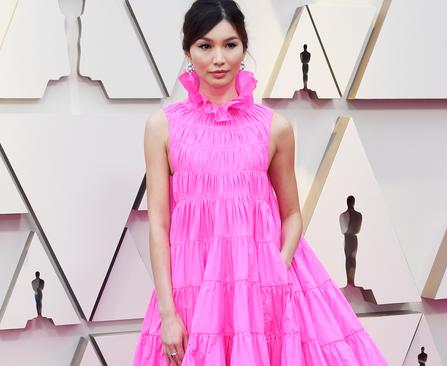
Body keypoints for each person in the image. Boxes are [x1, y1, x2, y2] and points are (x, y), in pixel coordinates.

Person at [132, 1, 387, 365]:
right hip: (193, 286)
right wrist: (168, 314)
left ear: (244, 47)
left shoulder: (274, 127)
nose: (218, 58)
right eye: (205, 46)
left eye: (230, 44)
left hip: (264, 288)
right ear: (187, 50)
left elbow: (292, 215)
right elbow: (158, 225)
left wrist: (276, 267)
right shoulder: (162, 126)